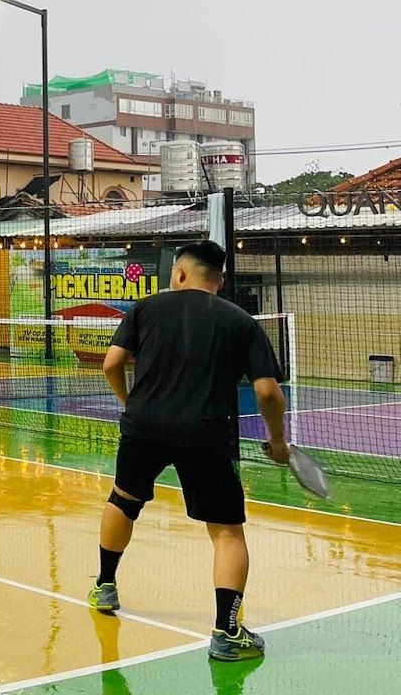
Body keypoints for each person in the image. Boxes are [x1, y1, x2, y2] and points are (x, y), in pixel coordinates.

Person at [88, 240, 290, 662]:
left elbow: (111, 364)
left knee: (123, 500)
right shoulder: (241, 322)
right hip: (206, 432)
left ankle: (105, 585)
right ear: (220, 280)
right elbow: (268, 392)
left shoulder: (145, 309)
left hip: (144, 427)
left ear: (179, 274)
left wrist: (131, 405)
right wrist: (276, 440)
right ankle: (227, 633)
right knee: (227, 532)